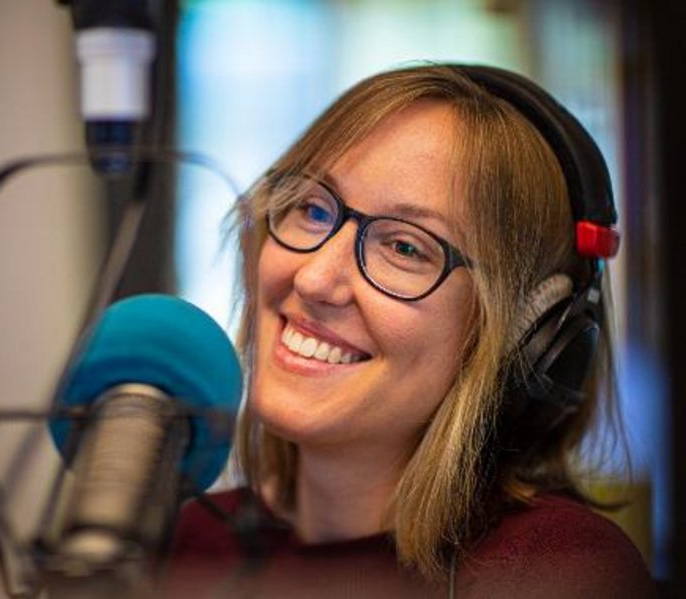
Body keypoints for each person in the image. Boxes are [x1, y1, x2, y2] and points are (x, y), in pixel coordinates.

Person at [159, 64, 655, 598]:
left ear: (523, 335)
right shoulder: (190, 542)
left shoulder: (556, 568)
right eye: (313, 209)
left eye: (404, 247)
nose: (314, 278)